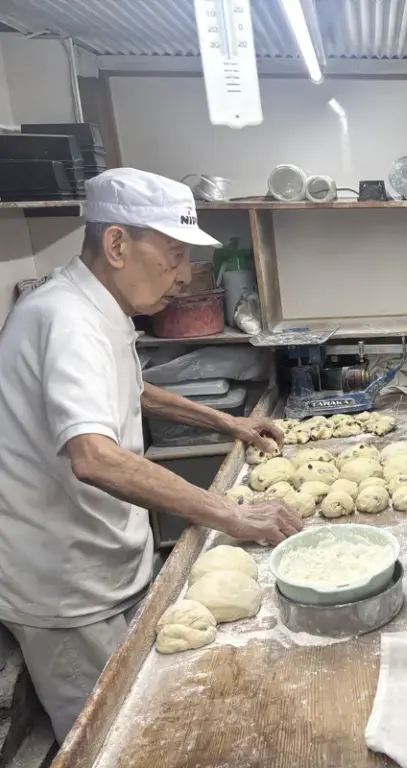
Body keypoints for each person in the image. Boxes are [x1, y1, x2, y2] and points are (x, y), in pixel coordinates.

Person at [0, 168, 302, 742]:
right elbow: (94, 456)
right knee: (120, 739)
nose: (185, 276)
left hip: (104, 558)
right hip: (64, 583)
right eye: (173, 255)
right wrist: (232, 514)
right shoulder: (65, 320)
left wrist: (226, 420)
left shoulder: (96, 309)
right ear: (117, 244)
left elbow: (130, 390)